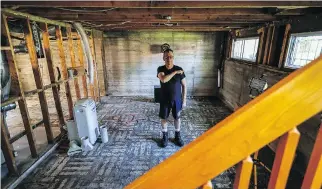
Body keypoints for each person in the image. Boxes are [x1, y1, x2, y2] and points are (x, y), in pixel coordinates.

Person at [157, 48, 187, 147]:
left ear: (173, 57)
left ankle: (177, 136)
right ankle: (165, 136)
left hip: (177, 100)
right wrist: (174, 72)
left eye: (171, 57)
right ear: (163, 58)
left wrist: (184, 100)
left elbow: (184, 86)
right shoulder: (160, 69)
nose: (169, 59)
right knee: (164, 118)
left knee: (177, 118)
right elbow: (164, 80)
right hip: (164, 99)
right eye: (166, 57)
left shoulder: (180, 69)